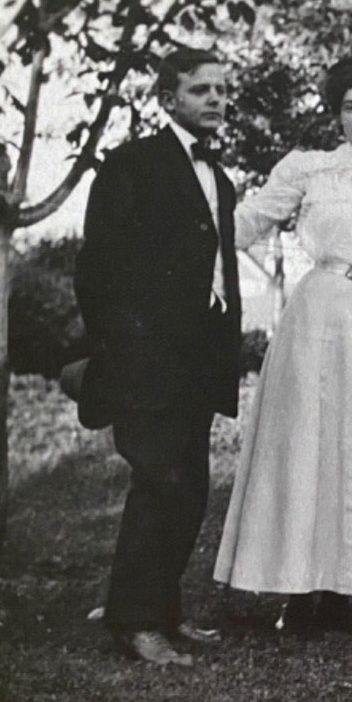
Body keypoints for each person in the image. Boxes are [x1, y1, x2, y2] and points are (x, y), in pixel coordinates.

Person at [212, 55, 352, 636]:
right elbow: (245, 222)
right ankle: (297, 586)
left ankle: (347, 586)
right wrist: (190, 230)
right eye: (349, 106)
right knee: (305, 442)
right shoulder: (308, 168)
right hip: (315, 313)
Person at [73, 46, 239, 667]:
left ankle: (162, 611)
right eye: (201, 90)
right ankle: (136, 622)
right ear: (168, 100)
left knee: (188, 488)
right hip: (147, 359)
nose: (216, 99)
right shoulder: (132, 165)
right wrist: (126, 347)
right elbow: (98, 268)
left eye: (221, 89)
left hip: (198, 359)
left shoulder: (218, 176)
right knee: (158, 482)